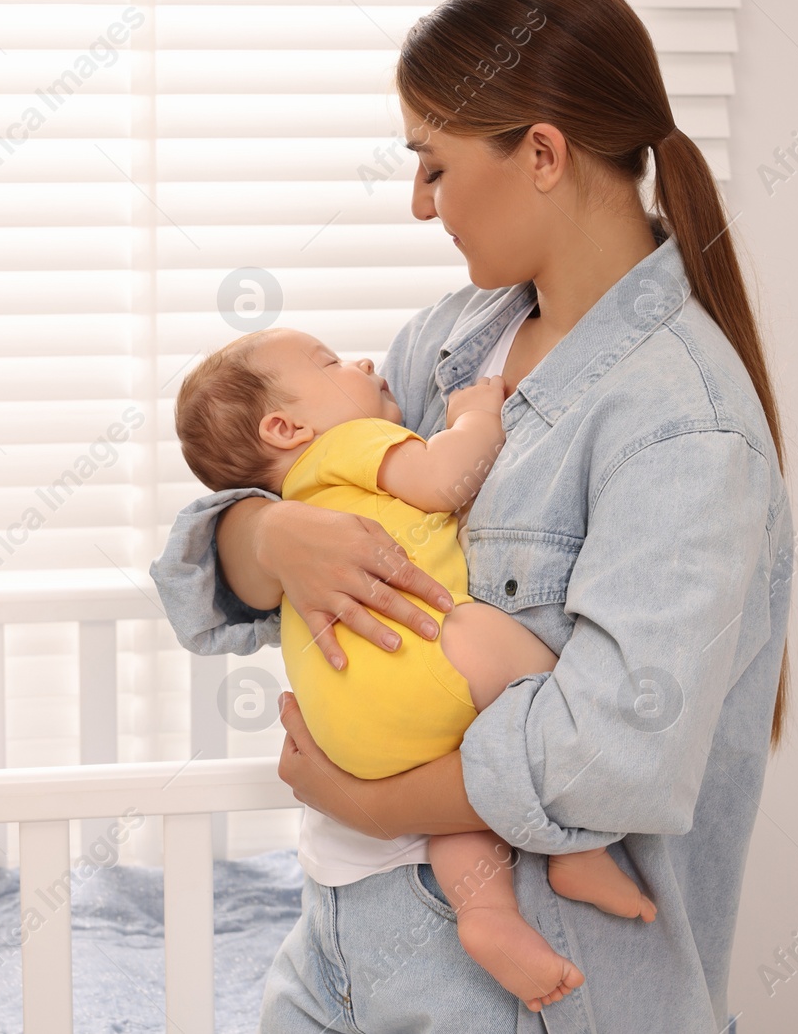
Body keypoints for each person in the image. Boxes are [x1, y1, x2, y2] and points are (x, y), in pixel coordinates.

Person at [149, 0, 794, 1030]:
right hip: (341, 956)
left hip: (530, 997)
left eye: (431, 164)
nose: (418, 202)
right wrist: (273, 531)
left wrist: (367, 800)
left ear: (541, 153)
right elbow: (210, 560)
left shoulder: (682, 429)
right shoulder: (452, 344)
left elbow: (608, 753)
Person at [168, 325, 659, 1011]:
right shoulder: (347, 446)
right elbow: (446, 477)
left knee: (452, 793)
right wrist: (475, 415)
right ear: (286, 427)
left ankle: (485, 912)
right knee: (529, 669)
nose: (362, 361)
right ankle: (575, 847)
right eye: (329, 361)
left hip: (345, 732)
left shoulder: (301, 504)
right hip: (418, 666)